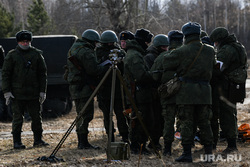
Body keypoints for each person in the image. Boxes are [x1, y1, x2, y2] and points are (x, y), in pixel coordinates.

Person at [163, 22, 215, 162]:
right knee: (205, 122)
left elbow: (166, 64)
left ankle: (187, 154)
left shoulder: (182, 51)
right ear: (199, 34)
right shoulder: (210, 50)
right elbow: (214, 67)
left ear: (185, 35)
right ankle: (209, 155)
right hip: (204, 92)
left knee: (186, 122)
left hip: (186, 92)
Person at [2, 30, 49, 149]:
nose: (25, 43)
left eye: (27, 41)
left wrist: (43, 91)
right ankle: (17, 142)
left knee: (37, 118)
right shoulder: (12, 56)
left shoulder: (37, 55)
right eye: (23, 41)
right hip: (17, 94)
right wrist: (6, 92)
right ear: (18, 42)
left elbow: (42, 74)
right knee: (17, 118)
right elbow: (5, 74)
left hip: (33, 93)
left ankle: (38, 140)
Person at [67, 29, 107, 149]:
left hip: (76, 85)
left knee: (81, 113)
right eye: (95, 43)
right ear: (91, 41)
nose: (95, 45)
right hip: (82, 86)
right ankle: (83, 142)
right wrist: (106, 66)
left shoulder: (74, 47)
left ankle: (82, 141)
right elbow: (93, 70)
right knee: (85, 114)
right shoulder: (86, 51)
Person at [209, 27, 248, 153]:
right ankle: (232, 141)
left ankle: (231, 145)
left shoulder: (226, 50)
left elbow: (217, 68)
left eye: (215, 42)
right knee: (231, 113)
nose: (215, 44)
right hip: (234, 85)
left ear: (220, 40)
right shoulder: (238, 46)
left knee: (226, 114)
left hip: (225, 86)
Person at [152, 30, 183, 156]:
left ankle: (167, 149)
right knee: (186, 120)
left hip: (168, 95)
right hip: (184, 95)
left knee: (168, 122)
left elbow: (154, 76)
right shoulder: (187, 54)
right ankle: (187, 148)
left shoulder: (162, 57)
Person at [123, 28, 154, 154]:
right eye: (147, 43)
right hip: (138, 94)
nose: (147, 46)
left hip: (139, 93)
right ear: (142, 42)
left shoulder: (135, 53)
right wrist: (154, 75)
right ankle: (137, 146)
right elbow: (141, 76)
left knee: (142, 119)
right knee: (140, 119)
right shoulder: (135, 56)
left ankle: (139, 145)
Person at [95, 30, 129, 143]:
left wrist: (121, 60)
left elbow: (125, 69)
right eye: (107, 44)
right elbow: (95, 69)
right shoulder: (98, 53)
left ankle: (125, 136)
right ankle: (111, 138)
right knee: (107, 115)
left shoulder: (120, 52)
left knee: (121, 114)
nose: (110, 45)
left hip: (118, 89)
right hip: (104, 89)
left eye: (112, 43)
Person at [144, 34, 169, 150]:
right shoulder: (149, 57)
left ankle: (156, 141)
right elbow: (150, 75)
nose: (165, 49)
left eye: (166, 47)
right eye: (163, 47)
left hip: (161, 92)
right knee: (155, 119)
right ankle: (153, 142)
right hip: (153, 92)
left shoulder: (162, 55)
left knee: (161, 119)